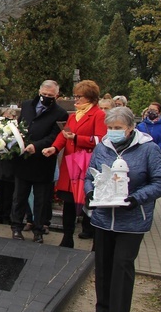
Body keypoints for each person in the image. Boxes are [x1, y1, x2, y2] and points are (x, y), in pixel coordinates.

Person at [86, 106, 161, 312]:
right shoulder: (103, 146)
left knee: (122, 264)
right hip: (103, 217)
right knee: (103, 263)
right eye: (110, 128)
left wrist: (136, 198)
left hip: (132, 219)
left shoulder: (148, 149)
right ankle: (102, 307)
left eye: (118, 128)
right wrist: (90, 192)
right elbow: (90, 174)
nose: (113, 132)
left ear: (131, 128)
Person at [42, 80, 107, 248]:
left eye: (80, 97)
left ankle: (93, 239)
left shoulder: (99, 115)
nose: (76, 100)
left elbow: (100, 139)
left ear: (90, 98)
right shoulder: (73, 115)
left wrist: (78, 139)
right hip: (70, 164)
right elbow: (64, 135)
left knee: (88, 202)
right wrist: (54, 148)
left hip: (86, 165)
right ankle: (67, 237)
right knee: (69, 203)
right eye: (76, 96)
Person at [11, 80, 69, 243]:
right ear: (39, 91)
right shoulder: (28, 105)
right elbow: (20, 126)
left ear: (56, 95)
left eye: (50, 96)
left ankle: (38, 230)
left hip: (43, 161)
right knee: (19, 197)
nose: (46, 98)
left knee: (41, 200)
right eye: (44, 95)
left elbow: (54, 136)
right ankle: (16, 227)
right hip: (24, 160)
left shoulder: (60, 113)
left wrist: (35, 146)